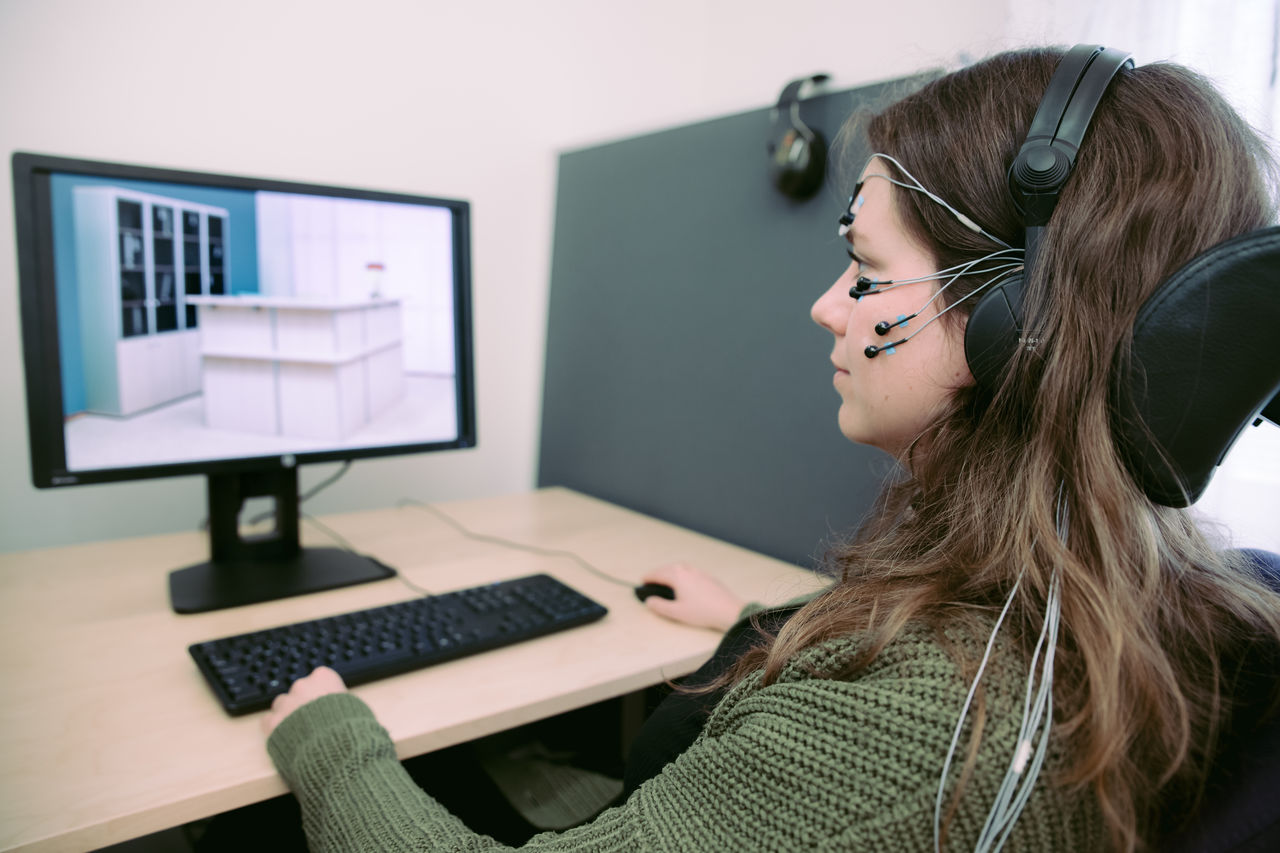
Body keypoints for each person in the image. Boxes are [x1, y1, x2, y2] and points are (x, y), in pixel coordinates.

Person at [261, 47, 1280, 851]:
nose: (825, 307)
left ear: (1014, 317)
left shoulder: (913, 727)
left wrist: (331, 739)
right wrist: (756, 628)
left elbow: (870, 762)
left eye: (866, 273)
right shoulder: (1158, 601)